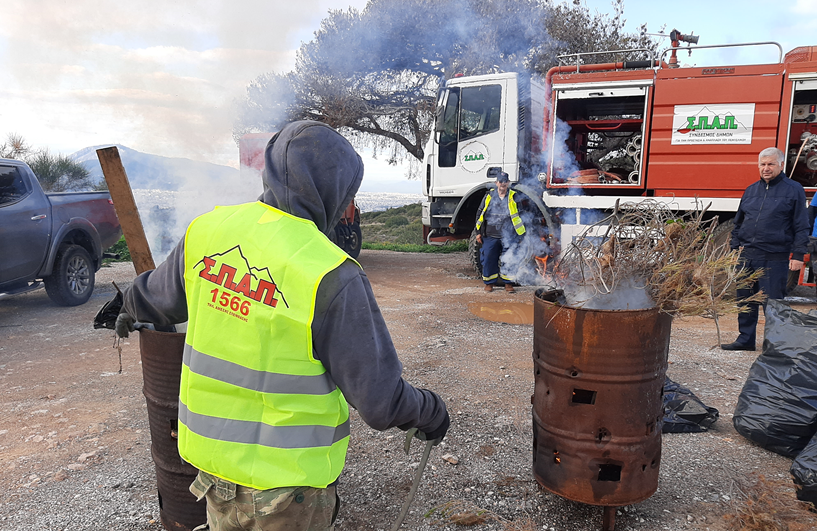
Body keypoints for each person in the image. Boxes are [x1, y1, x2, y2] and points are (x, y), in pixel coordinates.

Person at [114, 121, 449, 530]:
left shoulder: (208, 232)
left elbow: (156, 298)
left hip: (215, 476)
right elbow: (380, 402)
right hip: (288, 494)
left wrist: (126, 305)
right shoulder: (330, 273)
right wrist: (431, 411)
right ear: (336, 191)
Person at [721, 147, 810, 351]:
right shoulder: (751, 190)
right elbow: (738, 223)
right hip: (747, 256)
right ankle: (745, 340)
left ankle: (774, 345)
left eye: (770, 164)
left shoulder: (793, 189)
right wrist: (735, 248)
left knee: (773, 303)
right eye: (762, 164)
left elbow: (801, 224)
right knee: (745, 300)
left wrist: (798, 254)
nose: (766, 168)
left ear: (780, 165)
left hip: (774, 257)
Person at [475, 167, 526, 293]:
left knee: (510, 259)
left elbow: (521, 215)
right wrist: (477, 233)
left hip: (509, 235)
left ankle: (508, 284)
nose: (502, 184)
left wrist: (521, 235)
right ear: (496, 182)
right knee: (488, 258)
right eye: (500, 181)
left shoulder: (514, 196)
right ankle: (489, 284)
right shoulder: (489, 196)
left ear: (508, 183)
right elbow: (480, 213)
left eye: (505, 181)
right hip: (490, 235)